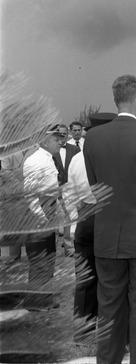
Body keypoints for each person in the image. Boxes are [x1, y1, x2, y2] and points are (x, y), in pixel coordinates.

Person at [83, 75, 136, 364]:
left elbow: (95, 186)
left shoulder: (93, 138)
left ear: (115, 99)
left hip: (107, 234)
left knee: (108, 307)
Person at [66, 112, 117, 342]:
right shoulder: (114, 154)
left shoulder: (77, 157)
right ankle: (109, 328)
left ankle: (82, 330)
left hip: (85, 215)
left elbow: (69, 193)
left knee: (85, 277)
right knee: (110, 276)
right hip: (107, 214)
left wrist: (75, 221)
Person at [22, 124, 65, 309]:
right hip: (38, 216)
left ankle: (45, 298)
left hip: (49, 210)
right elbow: (30, 196)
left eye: (60, 139)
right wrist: (42, 219)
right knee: (39, 258)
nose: (60, 142)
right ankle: (34, 302)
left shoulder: (49, 158)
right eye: (56, 140)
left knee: (49, 257)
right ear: (44, 141)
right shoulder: (34, 160)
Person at [54, 124, 80, 257]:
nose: (62, 135)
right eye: (60, 133)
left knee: (70, 218)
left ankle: (69, 248)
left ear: (67, 133)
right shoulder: (52, 149)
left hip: (71, 188)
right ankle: (52, 249)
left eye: (64, 133)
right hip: (56, 187)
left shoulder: (75, 149)